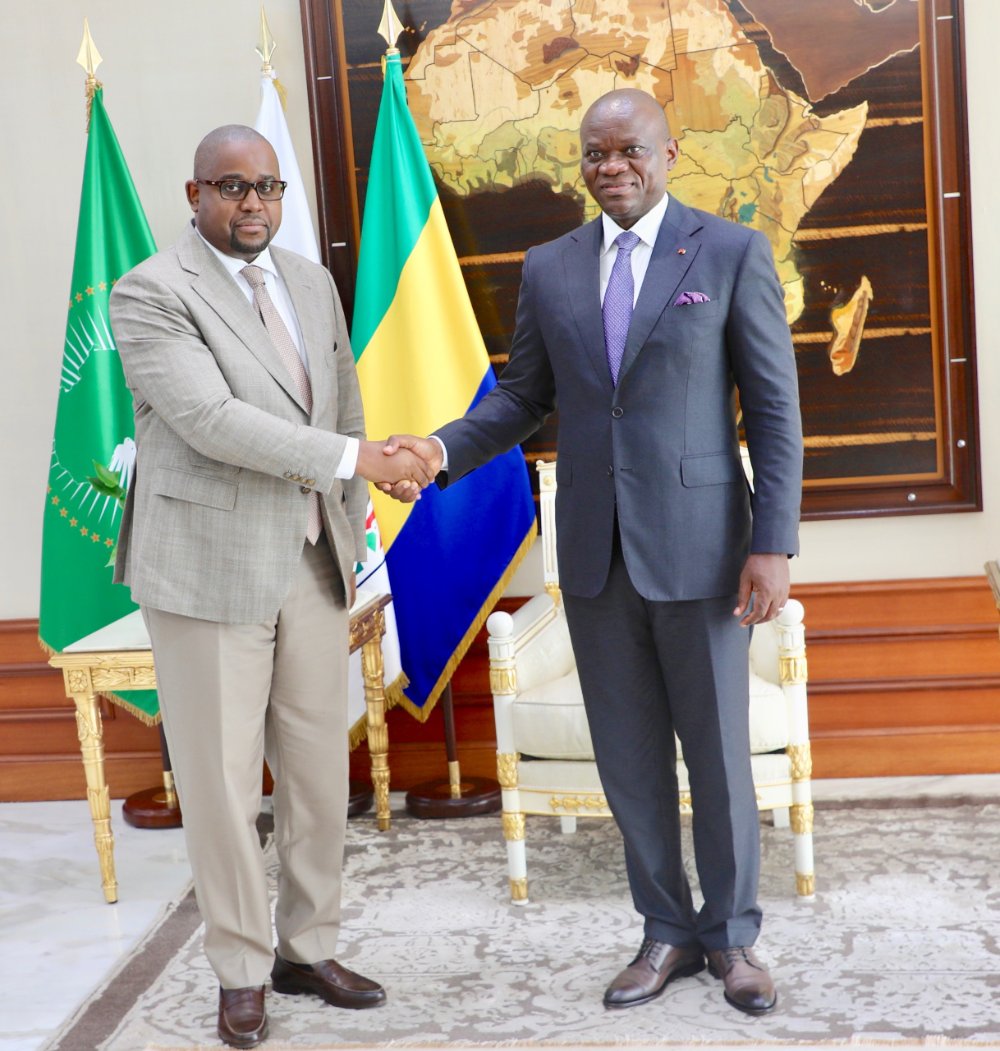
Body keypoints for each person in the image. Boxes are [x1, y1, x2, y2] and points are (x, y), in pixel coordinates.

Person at [383, 89, 803, 1016]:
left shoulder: (730, 253)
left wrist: (772, 543)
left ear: (669, 153)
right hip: (596, 554)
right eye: (594, 153)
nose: (611, 166)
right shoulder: (551, 266)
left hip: (704, 553)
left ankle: (733, 937)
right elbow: (522, 396)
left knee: (718, 758)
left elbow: (775, 409)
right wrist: (440, 450)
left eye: (629, 150)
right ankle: (666, 931)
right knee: (629, 757)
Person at [109, 125, 431, 1049]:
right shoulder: (151, 292)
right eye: (232, 186)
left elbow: (342, 399)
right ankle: (241, 969)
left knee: (319, 774)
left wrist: (368, 486)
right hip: (207, 569)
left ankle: (307, 948)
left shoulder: (308, 280)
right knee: (220, 784)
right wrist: (357, 457)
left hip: (312, 560)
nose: (254, 203)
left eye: (268, 187)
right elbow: (213, 421)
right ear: (195, 194)